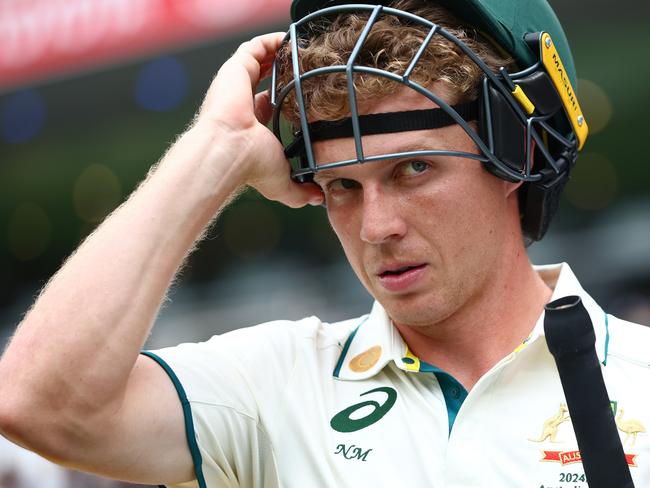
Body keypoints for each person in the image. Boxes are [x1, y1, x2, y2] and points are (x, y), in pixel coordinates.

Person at [0, 0, 648, 486]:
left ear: (519, 154)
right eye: (341, 186)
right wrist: (215, 151)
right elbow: (36, 401)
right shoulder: (277, 385)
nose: (376, 227)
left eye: (412, 169)